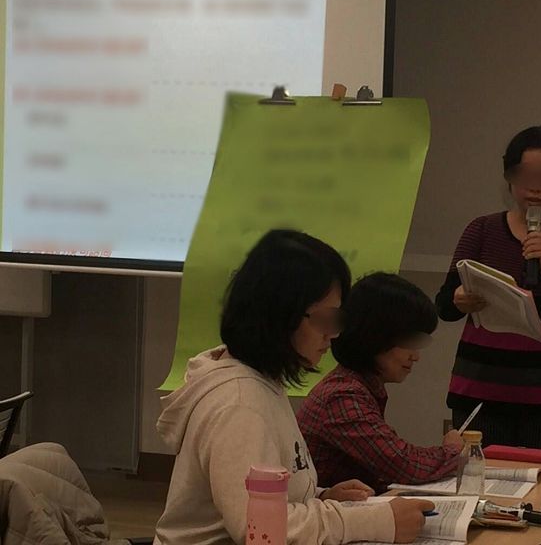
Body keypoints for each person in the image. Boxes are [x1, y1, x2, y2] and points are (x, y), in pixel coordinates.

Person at [154, 230, 432, 545]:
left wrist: (322, 496)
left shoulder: (262, 383)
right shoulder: (240, 403)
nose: (333, 334)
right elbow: (259, 530)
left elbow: (267, 493)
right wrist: (374, 521)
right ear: (280, 313)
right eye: (325, 319)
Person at [436, 125, 541, 450]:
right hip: (479, 394)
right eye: (525, 176)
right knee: (478, 478)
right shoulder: (481, 230)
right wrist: (458, 299)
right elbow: (443, 305)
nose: (536, 188)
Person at [298, 273, 463, 493]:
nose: (415, 356)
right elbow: (405, 465)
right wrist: (453, 450)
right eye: (408, 341)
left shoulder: (357, 386)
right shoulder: (343, 395)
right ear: (375, 335)